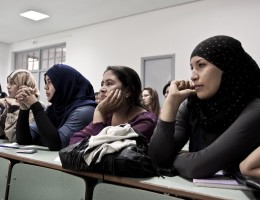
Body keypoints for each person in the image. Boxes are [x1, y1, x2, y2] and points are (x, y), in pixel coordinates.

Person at [148, 35, 260, 179]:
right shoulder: (193, 105)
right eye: (192, 68)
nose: (193, 76)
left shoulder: (255, 108)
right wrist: (171, 103)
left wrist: (170, 159)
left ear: (227, 67)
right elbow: (157, 158)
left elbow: (196, 168)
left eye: (201, 65)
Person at [15, 64, 97, 151]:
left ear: (65, 83)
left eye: (50, 82)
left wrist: (35, 105)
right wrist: (24, 109)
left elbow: (57, 144)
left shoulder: (85, 111)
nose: (45, 87)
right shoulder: (52, 109)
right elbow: (23, 140)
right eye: (46, 82)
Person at [70, 66, 157, 145]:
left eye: (109, 83)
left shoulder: (146, 121)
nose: (102, 89)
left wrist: (99, 112)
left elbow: (106, 153)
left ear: (128, 91)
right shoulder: (108, 115)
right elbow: (74, 140)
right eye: (102, 84)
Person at [0, 69, 39, 141]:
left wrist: (14, 108)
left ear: (24, 85)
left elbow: (14, 138)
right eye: (8, 83)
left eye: (12, 83)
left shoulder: (33, 108)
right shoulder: (9, 104)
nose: (8, 86)